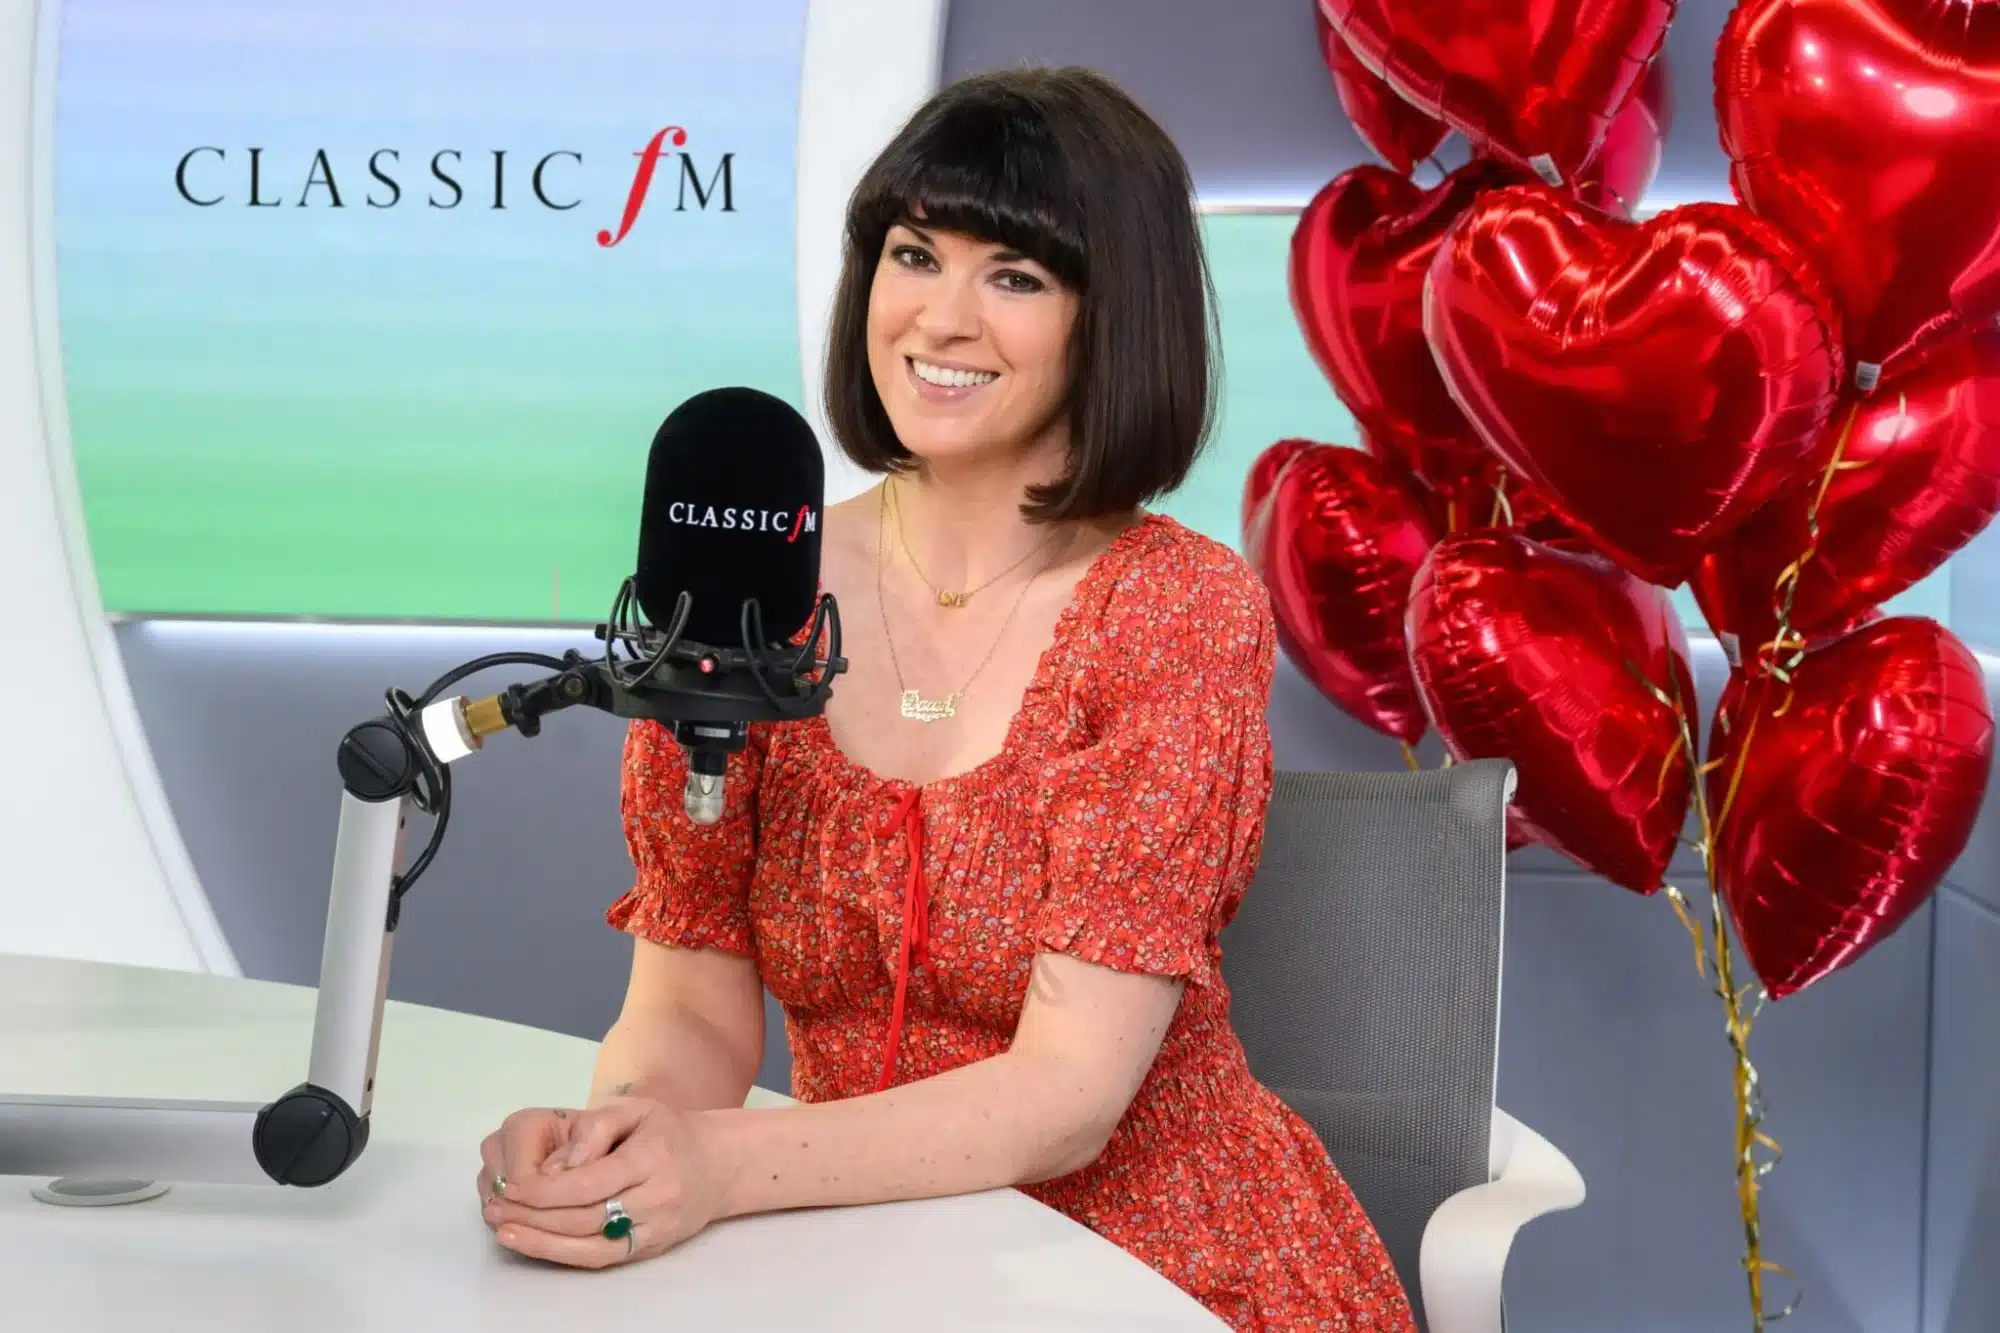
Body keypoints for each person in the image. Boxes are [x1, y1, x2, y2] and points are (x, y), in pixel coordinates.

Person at [473, 66, 1415, 1332]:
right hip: (849, 1249)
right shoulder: (755, 590)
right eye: (914, 255)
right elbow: (686, 1002)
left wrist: (723, 1164)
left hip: (1152, 1261)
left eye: (1013, 277)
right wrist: (625, 1145)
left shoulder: (1175, 609)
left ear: (1110, 317)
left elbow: (1066, 1096)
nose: (941, 318)